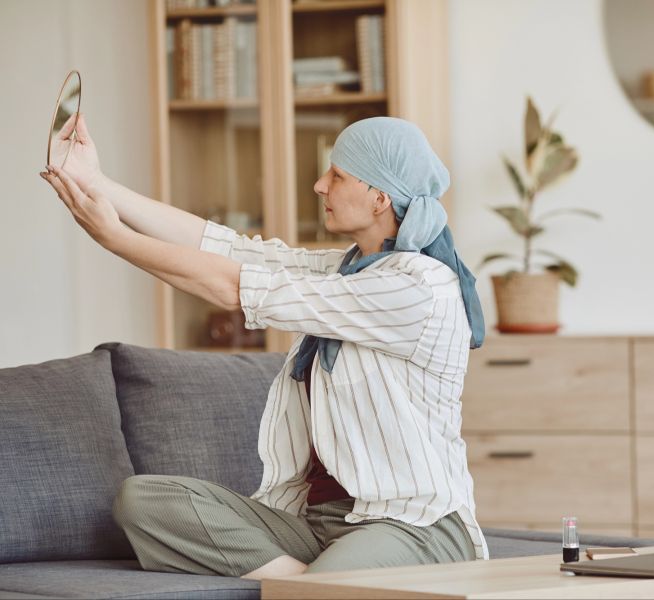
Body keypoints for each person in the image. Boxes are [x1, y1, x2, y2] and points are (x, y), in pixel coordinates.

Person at [39, 114, 489, 579]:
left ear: (379, 197)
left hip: (414, 525)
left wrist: (115, 238)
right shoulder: (344, 270)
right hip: (319, 524)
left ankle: (307, 586)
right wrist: (93, 181)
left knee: (329, 587)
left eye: (337, 175)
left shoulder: (418, 287)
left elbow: (231, 287)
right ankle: (295, 582)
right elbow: (226, 250)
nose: (319, 184)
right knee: (145, 500)